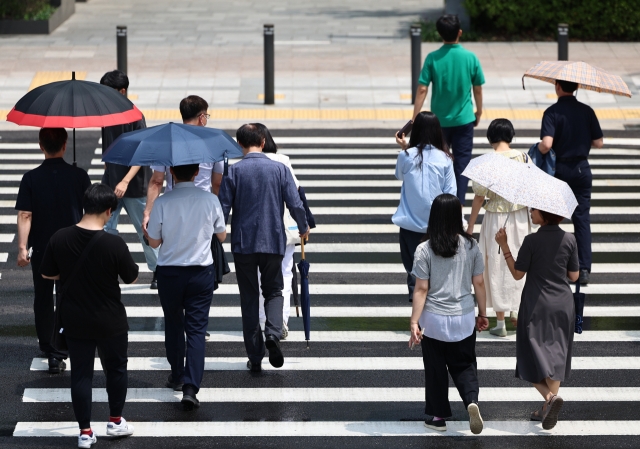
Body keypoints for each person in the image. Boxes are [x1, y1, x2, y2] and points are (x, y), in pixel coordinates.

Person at [40, 183, 139, 448]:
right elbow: (131, 277)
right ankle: (115, 421)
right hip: (110, 320)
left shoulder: (59, 238)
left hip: (75, 319)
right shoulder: (114, 243)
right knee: (116, 369)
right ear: (109, 211)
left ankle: (85, 432)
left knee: (81, 375)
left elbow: (47, 273)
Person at [219, 124, 309, 372]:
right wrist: (303, 227)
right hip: (273, 241)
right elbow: (295, 203)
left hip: (243, 243)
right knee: (274, 290)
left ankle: (255, 356)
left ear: (240, 144)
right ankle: (272, 333)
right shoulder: (279, 169)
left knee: (249, 298)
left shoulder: (233, 172)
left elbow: (222, 210)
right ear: (262, 140)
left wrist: (216, 235)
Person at [146, 164, 226, 411]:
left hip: (170, 271)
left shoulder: (162, 202)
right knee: (197, 330)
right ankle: (191, 387)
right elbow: (221, 235)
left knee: (173, 323)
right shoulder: (210, 200)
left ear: (171, 172)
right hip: (201, 272)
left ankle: (177, 374)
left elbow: (154, 240)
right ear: (196, 173)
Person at [409, 193, 489, 434]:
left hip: (433, 320)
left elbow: (421, 289)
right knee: (464, 364)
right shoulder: (471, 246)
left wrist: (414, 321)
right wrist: (483, 313)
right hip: (463, 317)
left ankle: (437, 417)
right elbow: (480, 284)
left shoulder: (424, 249)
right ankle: (471, 400)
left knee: (435, 367)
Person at [495, 207, 579, 430]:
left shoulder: (531, 240)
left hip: (536, 304)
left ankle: (549, 399)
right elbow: (574, 275)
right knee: (556, 356)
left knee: (529, 357)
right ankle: (545, 408)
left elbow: (517, 273)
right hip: (562, 304)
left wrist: (504, 246)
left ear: (545, 215)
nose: (531, 212)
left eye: (535, 210)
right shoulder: (569, 239)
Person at [15, 128, 91, 374]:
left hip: (45, 249)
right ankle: (64, 346)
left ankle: (48, 346)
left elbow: (26, 214)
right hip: (73, 247)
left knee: (44, 297)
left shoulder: (30, 178)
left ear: (40, 145)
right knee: (68, 296)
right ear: (65, 144)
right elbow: (90, 212)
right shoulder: (79, 175)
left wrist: (22, 248)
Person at [467, 119, 532, 336]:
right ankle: (516, 309)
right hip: (520, 216)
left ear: (490, 137)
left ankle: (501, 322)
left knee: (495, 265)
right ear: (511, 135)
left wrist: (470, 226)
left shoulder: (486, 162)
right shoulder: (524, 157)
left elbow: (479, 196)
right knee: (519, 260)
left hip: (495, 217)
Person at [412, 14, 485, 207]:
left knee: (437, 163)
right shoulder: (470, 58)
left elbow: (422, 88)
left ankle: (438, 205)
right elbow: (477, 88)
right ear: (460, 32)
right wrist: (478, 111)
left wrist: (415, 117)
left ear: (439, 34)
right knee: (461, 165)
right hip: (464, 120)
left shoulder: (433, 58)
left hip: (439, 124)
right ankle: (457, 207)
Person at [538, 80, 604, 285]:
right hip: (582, 169)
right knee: (581, 219)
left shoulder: (552, 112)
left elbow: (547, 145)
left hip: (560, 171)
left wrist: (538, 148)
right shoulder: (587, 111)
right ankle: (583, 269)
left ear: (557, 87)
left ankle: (552, 265)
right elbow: (599, 142)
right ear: (577, 87)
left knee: (552, 219)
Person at [99, 70, 159, 289]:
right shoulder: (106, 115)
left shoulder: (135, 116)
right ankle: (105, 271)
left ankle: (157, 270)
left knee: (144, 230)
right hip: (111, 183)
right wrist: (111, 175)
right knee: (105, 229)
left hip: (135, 186)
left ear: (122, 92)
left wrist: (124, 181)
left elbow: (141, 155)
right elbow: (107, 149)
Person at [394, 111, 456, 302]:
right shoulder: (446, 159)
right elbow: (451, 193)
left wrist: (406, 147)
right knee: (435, 270)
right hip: (436, 226)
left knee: (414, 271)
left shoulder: (406, 156)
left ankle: (417, 320)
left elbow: (399, 175)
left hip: (410, 225)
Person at [254, 123, 299, 340]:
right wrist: (304, 224)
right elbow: (296, 194)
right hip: (283, 229)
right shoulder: (283, 161)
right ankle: (281, 320)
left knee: (261, 275)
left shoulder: (246, 162)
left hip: (257, 231)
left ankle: (265, 320)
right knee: (286, 273)